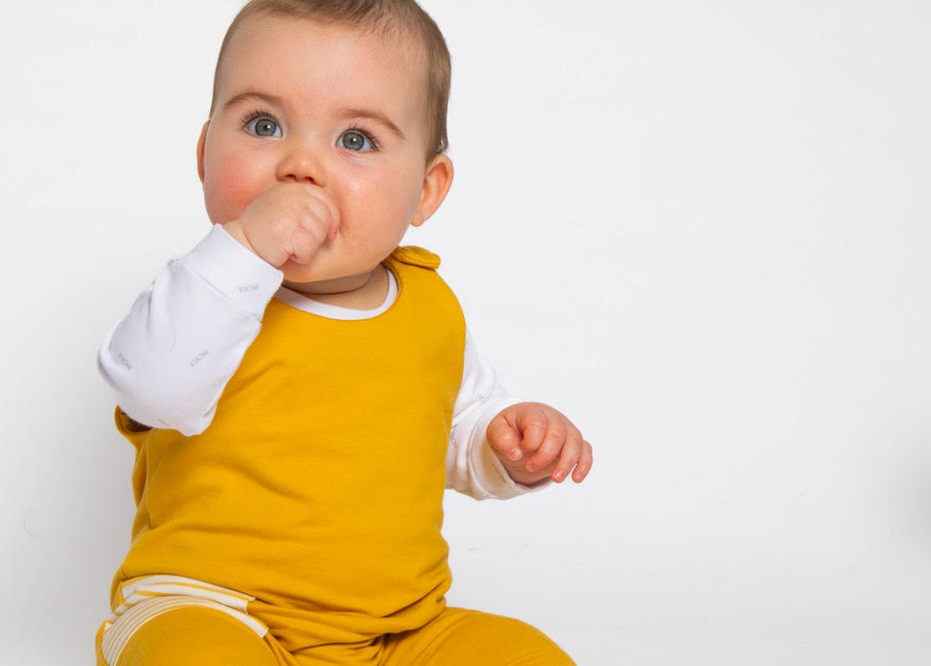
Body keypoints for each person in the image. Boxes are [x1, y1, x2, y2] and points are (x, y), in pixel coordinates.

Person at [95, 1, 593, 664]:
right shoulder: (204, 294)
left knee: (529, 656)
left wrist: (506, 443)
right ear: (204, 154)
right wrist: (245, 250)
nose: (301, 165)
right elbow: (153, 389)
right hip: (212, 607)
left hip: (397, 629)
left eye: (355, 139)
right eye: (263, 124)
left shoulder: (430, 309)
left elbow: (453, 430)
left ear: (425, 189)